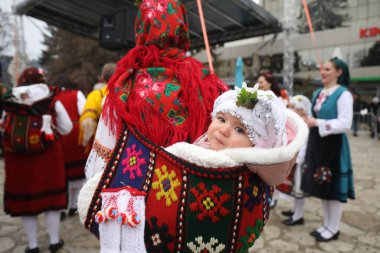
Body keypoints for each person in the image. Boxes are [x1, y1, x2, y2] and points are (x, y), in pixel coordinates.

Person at [84, 0, 228, 180]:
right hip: (196, 195)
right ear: (182, 27)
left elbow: (100, 167)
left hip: (140, 196)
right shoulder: (209, 82)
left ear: (141, 27)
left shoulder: (124, 86)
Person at [2, 67, 73, 253]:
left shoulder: (10, 101)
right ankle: (54, 241)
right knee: (52, 202)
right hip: (48, 157)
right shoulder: (49, 99)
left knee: (26, 204)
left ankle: (32, 245)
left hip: (18, 160)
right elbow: (67, 127)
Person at [302, 57, 355, 242]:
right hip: (319, 143)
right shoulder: (318, 93)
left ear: (339, 72)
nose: (322, 72)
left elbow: (346, 123)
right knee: (322, 185)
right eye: (322, 68)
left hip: (334, 146)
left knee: (332, 187)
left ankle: (334, 227)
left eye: (327, 69)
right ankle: (326, 224)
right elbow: (314, 115)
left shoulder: (343, 94)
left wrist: (317, 122)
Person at [51, 74, 87, 218]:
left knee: (62, 174)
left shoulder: (52, 98)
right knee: (78, 172)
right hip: (76, 135)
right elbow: (84, 112)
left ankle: (61, 209)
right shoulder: (76, 94)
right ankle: (73, 206)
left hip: (59, 136)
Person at [276, 95, 311, 226]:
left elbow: (304, 143)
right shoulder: (297, 122)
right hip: (296, 160)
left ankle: (298, 215)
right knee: (295, 188)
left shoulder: (305, 124)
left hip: (300, 162)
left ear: (303, 110)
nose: (292, 109)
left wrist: (298, 159)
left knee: (299, 188)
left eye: (295, 107)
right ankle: (295, 210)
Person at [257, 71, 288, 208]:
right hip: (261, 138)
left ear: (269, 83)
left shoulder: (277, 100)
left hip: (274, 139)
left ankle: (273, 196)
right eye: (258, 82)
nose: (259, 84)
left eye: (262, 82)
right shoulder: (257, 97)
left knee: (272, 169)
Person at [79, 62, 116, 151]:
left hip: (103, 144)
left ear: (102, 78)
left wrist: (87, 141)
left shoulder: (96, 95)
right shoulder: (127, 92)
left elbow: (87, 122)